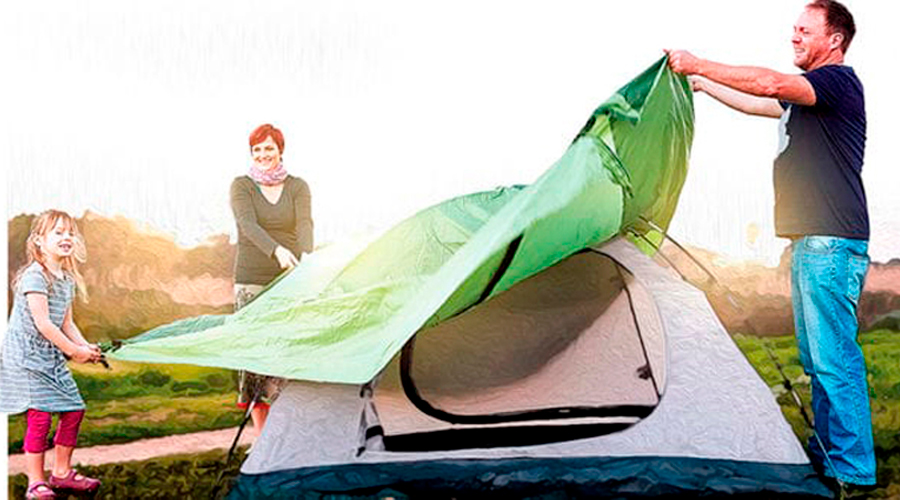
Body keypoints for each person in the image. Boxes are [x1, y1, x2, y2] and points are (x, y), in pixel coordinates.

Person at [666, 0, 874, 489]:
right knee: (817, 359)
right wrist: (702, 84)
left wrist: (698, 61)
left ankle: (855, 471)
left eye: (804, 30)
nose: (794, 37)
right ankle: (832, 459)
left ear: (834, 40)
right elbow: (759, 101)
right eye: (793, 30)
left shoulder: (838, 83)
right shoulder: (808, 101)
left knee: (834, 358)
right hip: (811, 241)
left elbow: (770, 84)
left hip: (832, 241)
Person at [0, 210, 103, 499]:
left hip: (51, 356)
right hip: (27, 357)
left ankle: (61, 474)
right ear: (39, 241)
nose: (66, 237)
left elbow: (66, 323)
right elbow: (43, 323)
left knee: (74, 409)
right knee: (41, 415)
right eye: (57, 232)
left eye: (70, 232)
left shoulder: (67, 279)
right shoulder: (35, 276)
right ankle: (36, 482)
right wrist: (73, 351)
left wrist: (86, 347)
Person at [230, 123, 314, 436]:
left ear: (280, 150)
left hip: (290, 278)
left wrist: (306, 256)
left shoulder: (298, 186)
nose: (263, 154)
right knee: (254, 354)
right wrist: (275, 250)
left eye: (269, 148)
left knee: (286, 349)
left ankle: (287, 431)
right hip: (252, 277)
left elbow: (304, 223)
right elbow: (247, 225)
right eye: (257, 149)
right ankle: (262, 436)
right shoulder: (241, 186)